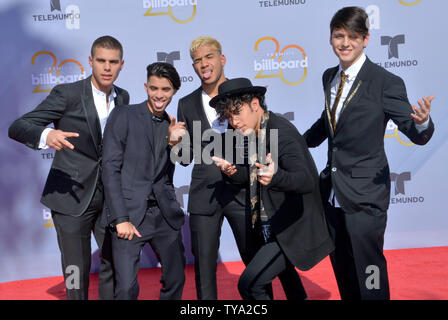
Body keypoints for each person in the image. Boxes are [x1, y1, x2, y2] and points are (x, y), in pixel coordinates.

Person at [303, 6, 435, 300]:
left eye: (353, 36)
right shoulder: (329, 77)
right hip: (333, 193)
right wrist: (297, 144)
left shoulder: (385, 82)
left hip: (366, 195)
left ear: (366, 39)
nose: (345, 43)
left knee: (370, 273)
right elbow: (329, 121)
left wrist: (422, 122)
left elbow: (414, 132)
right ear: (330, 39)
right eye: (339, 36)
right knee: (344, 270)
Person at [8, 36, 129, 300]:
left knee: (115, 263)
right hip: (70, 196)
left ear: (121, 65)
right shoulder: (68, 93)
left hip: (109, 195)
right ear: (90, 62)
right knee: (76, 269)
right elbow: (18, 126)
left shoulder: (123, 97)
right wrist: (46, 136)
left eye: (113, 62)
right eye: (101, 61)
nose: (107, 67)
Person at [210, 77, 334, 300]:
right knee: (287, 277)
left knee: (250, 284)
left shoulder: (281, 132)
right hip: (273, 224)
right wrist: (233, 172)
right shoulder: (254, 131)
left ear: (254, 104)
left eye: (237, 112)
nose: (234, 121)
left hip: (293, 227)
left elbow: (306, 180)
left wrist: (276, 177)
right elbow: (256, 174)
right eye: (229, 116)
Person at [101, 62, 186, 300]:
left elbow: (179, 165)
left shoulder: (175, 125)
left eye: (166, 89)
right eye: (154, 88)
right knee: (126, 289)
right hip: (129, 215)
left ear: (174, 91)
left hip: (164, 214)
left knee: (176, 279)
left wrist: (175, 144)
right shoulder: (124, 114)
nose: (159, 95)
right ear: (146, 86)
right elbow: (109, 168)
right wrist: (120, 218)